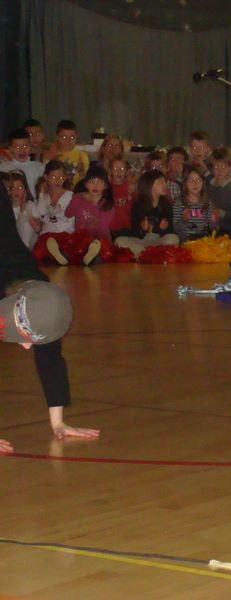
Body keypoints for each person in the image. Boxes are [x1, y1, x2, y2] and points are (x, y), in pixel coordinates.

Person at [0, 182, 100, 453]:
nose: (26, 347)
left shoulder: (39, 290)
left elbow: (50, 350)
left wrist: (59, 422)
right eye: (25, 337)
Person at [114, 170, 179, 258]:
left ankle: (144, 254)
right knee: (119, 240)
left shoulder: (167, 206)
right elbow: (135, 233)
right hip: (141, 241)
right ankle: (147, 253)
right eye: (160, 182)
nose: (164, 185)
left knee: (173, 238)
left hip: (158, 241)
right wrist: (142, 229)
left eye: (165, 182)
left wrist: (161, 229)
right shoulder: (138, 205)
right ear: (149, 185)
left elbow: (170, 231)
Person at [172, 167, 217, 243]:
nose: (195, 184)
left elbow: (212, 228)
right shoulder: (179, 203)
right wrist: (183, 220)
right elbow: (176, 229)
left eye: (198, 180)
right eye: (191, 180)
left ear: (203, 183)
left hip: (203, 239)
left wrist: (213, 221)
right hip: (186, 239)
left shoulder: (207, 203)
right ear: (185, 183)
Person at [207, 147, 231, 237]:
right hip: (209, 227)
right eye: (216, 167)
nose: (219, 171)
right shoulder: (208, 185)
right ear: (211, 169)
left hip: (228, 230)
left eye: (223, 167)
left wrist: (221, 212)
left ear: (230, 167)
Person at [6, 171, 38, 249]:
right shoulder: (5, 208)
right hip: (10, 245)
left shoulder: (30, 205)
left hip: (28, 245)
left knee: (26, 223)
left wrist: (23, 208)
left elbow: (37, 228)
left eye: (20, 187)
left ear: (25, 189)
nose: (16, 191)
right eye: (12, 188)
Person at [53, 119, 89, 185]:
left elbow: (85, 179)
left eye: (72, 137)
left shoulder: (81, 155)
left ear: (76, 137)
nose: (68, 141)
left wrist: (81, 170)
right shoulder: (53, 155)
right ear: (57, 137)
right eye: (64, 137)